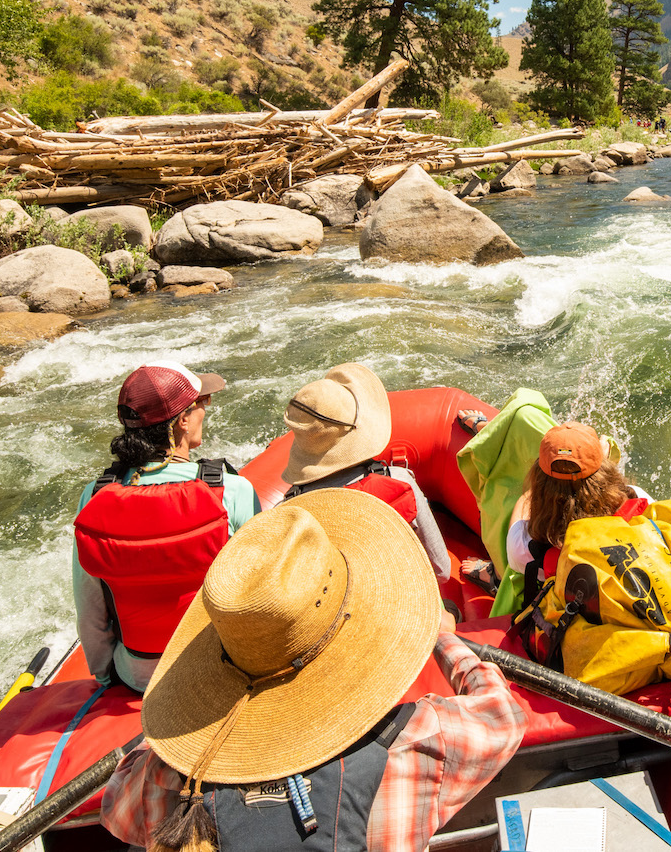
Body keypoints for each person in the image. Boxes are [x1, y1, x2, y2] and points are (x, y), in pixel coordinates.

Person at [100, 488, 527, 852]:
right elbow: (502, 717)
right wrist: (441, 636)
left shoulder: (165, 779)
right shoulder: (413, 745)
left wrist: (184, 717)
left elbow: (115, 807)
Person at [73, 361, 260, 693]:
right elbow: (256, 595)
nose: (208, 409)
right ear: (183, 421)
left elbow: (90, 607)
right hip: (219, 670)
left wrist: (107, 680)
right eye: (202, 403)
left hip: (136, 678)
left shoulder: (95, 496)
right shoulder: (232, 491)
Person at [279, 362, 454, 579]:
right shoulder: (399, 480)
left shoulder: (289, 509)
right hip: (401, 599)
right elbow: (441, 570)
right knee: (451, 613)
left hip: (335, 609)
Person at [504, 422, 651, 586]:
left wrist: (546, 483)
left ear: (539, 481)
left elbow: (521, 510)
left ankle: (493, 575)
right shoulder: (640, 499)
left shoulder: (524, 548)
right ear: (603, 471)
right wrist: (597, 462)